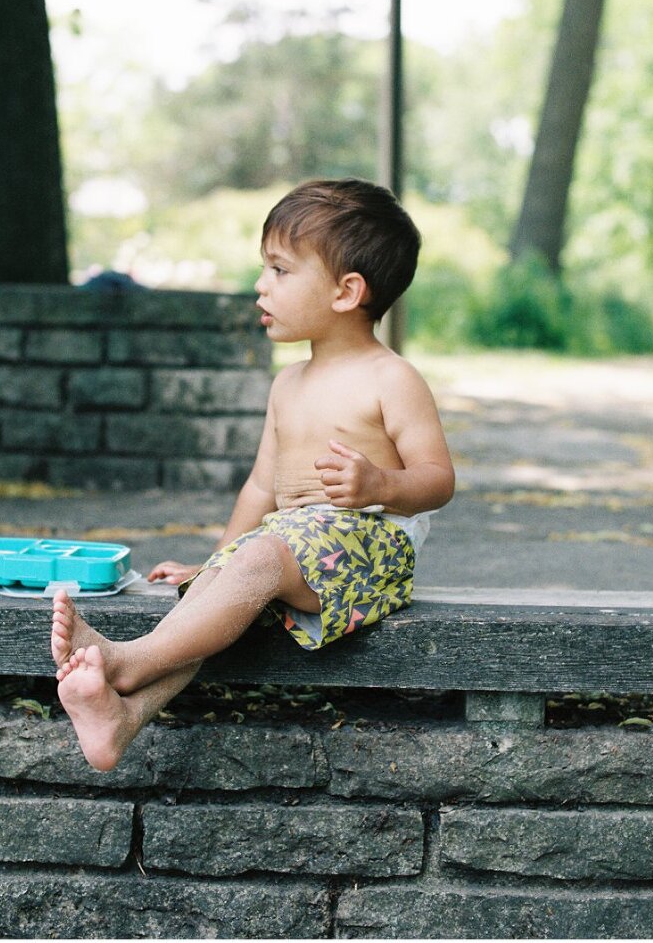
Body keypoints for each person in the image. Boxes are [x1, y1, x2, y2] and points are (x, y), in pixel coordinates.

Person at [51, 178, 455, 770]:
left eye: (280, 270)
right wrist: (213, 562)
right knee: (214, 593)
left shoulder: (391, 378)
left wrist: (382, 485)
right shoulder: (286, 384)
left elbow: (439, 478)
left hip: (369, 549)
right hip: (289, 548)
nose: (261, 285)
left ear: (346, 291)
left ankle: (128, 662)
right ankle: (123, 719)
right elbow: (262, 488)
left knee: (259, 558)